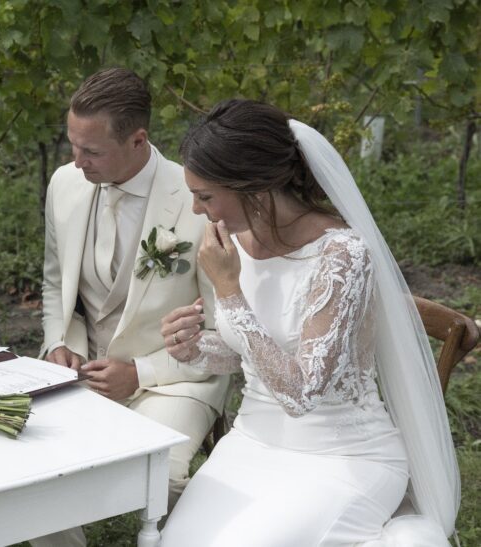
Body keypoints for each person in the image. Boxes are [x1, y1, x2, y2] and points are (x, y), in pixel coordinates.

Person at [159, 99, 460, 545]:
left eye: (205, 196)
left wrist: (229, 292)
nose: (197, 211)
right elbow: (255, 355)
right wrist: (197, 347)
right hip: (252, 443)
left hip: (343, 457)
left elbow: (301, 392)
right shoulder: (235, 242)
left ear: (253, 186)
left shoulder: (343, 255)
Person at [34, 68, 229, 547]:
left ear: (138, 139)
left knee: (160, 475)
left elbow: (226, 329)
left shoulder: (198, 198)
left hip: (176, 382)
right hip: (83, 376)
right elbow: (56, 283)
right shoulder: (64, 184)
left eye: (91, 151)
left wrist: (139, 373)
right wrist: (61, 343)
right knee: (28, 474)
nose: (76, 162)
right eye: (72, 145)